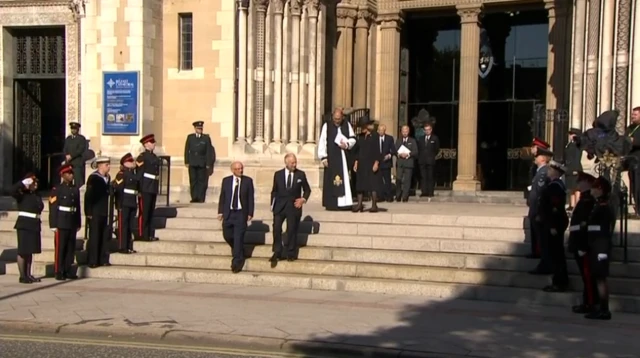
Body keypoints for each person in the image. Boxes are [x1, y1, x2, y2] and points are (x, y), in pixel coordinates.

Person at [270, 154, 311, 265]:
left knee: (291, 229)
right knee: (276, 228)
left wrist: (303, 199)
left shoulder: (300, 174)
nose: (294, 164)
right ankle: (277, 251)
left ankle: (291, 253)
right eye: (292, 163)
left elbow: (307, 190)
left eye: (295, 162)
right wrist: (272, 205)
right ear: (286, 162)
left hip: (293, 206)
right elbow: (274, 191)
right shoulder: (278, 175)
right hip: (280, 206)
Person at [585, 176, 615, 320]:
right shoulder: (598, 205)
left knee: (600, 278)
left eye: (595, 187)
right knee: (597, 277)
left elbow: (602, 229)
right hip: (596, 245)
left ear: (600, 190)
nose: (592, 190)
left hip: (601, 246)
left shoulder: (604, 207)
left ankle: (604, 309)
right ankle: (600, 307)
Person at [567, 172, 598, 313]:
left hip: (582, 244)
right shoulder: (584, 199)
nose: (578, 183)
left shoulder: (588, 201)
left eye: (581, 181)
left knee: (588, 276)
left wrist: (583, 245)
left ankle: (590, 303)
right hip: (577, 242)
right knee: (585, 277)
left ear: (588, 183)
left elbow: (586, 226)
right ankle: (587, 302)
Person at [217, 162, 254, 273]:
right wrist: (220, 212)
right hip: (229, 213)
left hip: (240, 213)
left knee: (238, 238)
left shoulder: (248, 181)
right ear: (232, 170)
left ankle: (236, 262)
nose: (240, 171)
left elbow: (250, 198)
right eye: (237, 169)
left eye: (241, 168)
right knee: (227, 235)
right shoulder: (226, 181)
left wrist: (250, 212)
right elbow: (223, 197)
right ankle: (238, 250)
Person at [539, 160, 570, 292]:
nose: (548, 171)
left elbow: (554, 207)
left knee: (556, 253)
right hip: (553, 222)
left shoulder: (555, 186)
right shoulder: (553, 185)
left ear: (555, 172)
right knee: (555, 252)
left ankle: (560, 281)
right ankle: (558, 280)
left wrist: (552, 225)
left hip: (555, 223)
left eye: (550, 170)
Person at [318, 108, 356, 211]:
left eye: (339, 119)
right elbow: (322, 141)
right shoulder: (327, 126)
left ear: (342, 117)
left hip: (342, 156)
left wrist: (347, 144)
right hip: (331, 157)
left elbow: (353, 139)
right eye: (335, 119)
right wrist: (323, 157)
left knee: (343, 178)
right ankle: (332, 203)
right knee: (331, 179)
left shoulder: (346, 125)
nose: (337, 121)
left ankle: (344, 203)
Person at [48, 164, 81, 281]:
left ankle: (68, 269)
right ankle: (59, 270)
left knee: (70, 248)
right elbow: (53, 207)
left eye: (71, 173)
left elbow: (77, 207)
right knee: (60, 248)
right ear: (62, 175)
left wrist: (78, 222)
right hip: (61, 221)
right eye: (68, 173)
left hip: (71, 221)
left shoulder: (75, 189)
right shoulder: (57, 190)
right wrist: (53, 224)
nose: (71, 175)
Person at [12, 173, 44, 284]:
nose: (35, 184)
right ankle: (22, 276)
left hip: (34, 224)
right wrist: (22, 183)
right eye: (33, 182)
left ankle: (28, 274)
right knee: (23, 251)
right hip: (24, 224)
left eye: (36, 183)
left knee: (30, 251)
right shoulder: (22, 194)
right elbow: (12, 191)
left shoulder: (37, 195)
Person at [352, 116, 384, 212]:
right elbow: (357, 151)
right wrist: (356, 162)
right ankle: (359, 204)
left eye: (363, 127)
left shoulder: (375, 136)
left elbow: (378, 150)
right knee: (360, 184)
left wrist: (377, 162)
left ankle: (374, 205)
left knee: (373, 184)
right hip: (362, 163)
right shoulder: (360, 137)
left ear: (367, 126)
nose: (362, 129)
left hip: (372, 162)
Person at [85, 156, 112, 268]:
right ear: (100, 165)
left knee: (104, 235)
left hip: (104, 211)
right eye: (106, 165)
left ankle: (103, 259)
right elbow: (89, 196)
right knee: (95, 236)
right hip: (95, 211)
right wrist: (89, 212)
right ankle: (93, 260)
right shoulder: (93, 178)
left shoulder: (107, 177)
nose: (109, 167)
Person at [527, 146, 551, 267]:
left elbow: (541, 193)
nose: (535, 159)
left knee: (541, 236)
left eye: (537, 157)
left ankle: (542, 258)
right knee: (536, 233)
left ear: (542, 158)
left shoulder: (543, 172)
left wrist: (538, 210)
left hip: (538, 208)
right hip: (535, 207)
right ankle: (536, 252)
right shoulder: (539, 171)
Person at [136, 134, 160, 241]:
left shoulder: (154, 156)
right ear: (146, 144)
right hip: (145, 187)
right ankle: (143, 234)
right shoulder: (142, 157)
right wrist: (139, 188)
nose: (154, 144)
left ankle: (149, 234)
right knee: (144, 212)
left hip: (152, 186)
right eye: (151, 142)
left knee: (150, 211)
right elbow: (140, 174)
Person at [113, 153, 139, 254]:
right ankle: (122, 246)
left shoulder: (133, 173)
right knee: (123, 226)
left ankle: (128, 246)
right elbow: (119, 190)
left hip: (132, 202)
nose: (133, 163)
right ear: (125, 163)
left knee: (130, 226)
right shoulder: (121, 174)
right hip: (124, 203)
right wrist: (118, 205)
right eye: (130, 161)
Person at [184, 121, 215, 203]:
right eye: (198, 128)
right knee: (193, 180)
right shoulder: (190, 137)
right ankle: (194, 197)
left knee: (201, 181)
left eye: (201, 128)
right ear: (195, 129)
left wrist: (208, 163)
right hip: (192, 162)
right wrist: (186, 161)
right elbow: (187, 149)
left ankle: (201, 197)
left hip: (202, 162)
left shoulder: (206, 138)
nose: (200, 130)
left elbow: (209, 151)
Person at [395, 125, 418, 202]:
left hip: (409, 163)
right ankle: (398, 195)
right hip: (400, 163)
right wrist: (399, 154)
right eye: (403, 131)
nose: (405, 133)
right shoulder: (398, 141)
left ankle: (405, 196)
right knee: (398, 180)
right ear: (401, 132)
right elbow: (395, 150)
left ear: (408, 132)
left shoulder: (412, 141)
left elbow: (415, 151)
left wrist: (408, 154)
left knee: (407, 181)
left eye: (406, 131)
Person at [417, 122, 439, 198]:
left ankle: (430, 192)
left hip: (430, 160)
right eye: (426, 130)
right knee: (423, 177)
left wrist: (432, 156)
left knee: (430, 176)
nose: (427, 131)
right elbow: (419, 149)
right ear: (424, 130)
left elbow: (436, 149)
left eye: (428, 129)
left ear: (431, 130)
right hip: (422, 160)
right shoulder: (421, 138)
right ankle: (424, 192)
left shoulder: (435, 138)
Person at [63, 122, 88, 188]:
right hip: (69, 163)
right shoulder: (68, 138)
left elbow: (80, 150)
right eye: (72, 129)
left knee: (78, 182)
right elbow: (65, 148)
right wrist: (66, 155)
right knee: (67, 181)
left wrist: (71, 156)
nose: (73, 130)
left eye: (75, 129)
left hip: (77, 163)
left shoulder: (81, 138)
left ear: (78, 129)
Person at [625, 107, 640, 216]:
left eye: (635, 114)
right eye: (632, 114)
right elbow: (625, 139)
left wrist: (632, 141)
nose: (632, 116)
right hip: (631, 161)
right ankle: (637, 207)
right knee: (633, 185)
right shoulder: (630, 128)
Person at [564, 128, 584, 210]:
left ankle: (577, 205)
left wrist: (576, 169)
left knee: (576, 188)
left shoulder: (577, 145)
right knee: (571, 187)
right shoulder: (570, 144)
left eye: (572, 134)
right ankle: (572, 205)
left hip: (575, 168)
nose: (570, 136)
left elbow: (577, 158)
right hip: (569, 168)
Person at [377, 124, 396, 202]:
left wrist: (389, 155)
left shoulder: (389, 138)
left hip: (386, 163)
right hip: (378, 163)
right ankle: (380, 196)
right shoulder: (375, 138)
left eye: (382, 130)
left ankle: (389, 196)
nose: (381, 131)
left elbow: (393, 150)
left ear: (385, 130)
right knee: (379, 181)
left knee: (387, 180)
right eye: (379, 130)